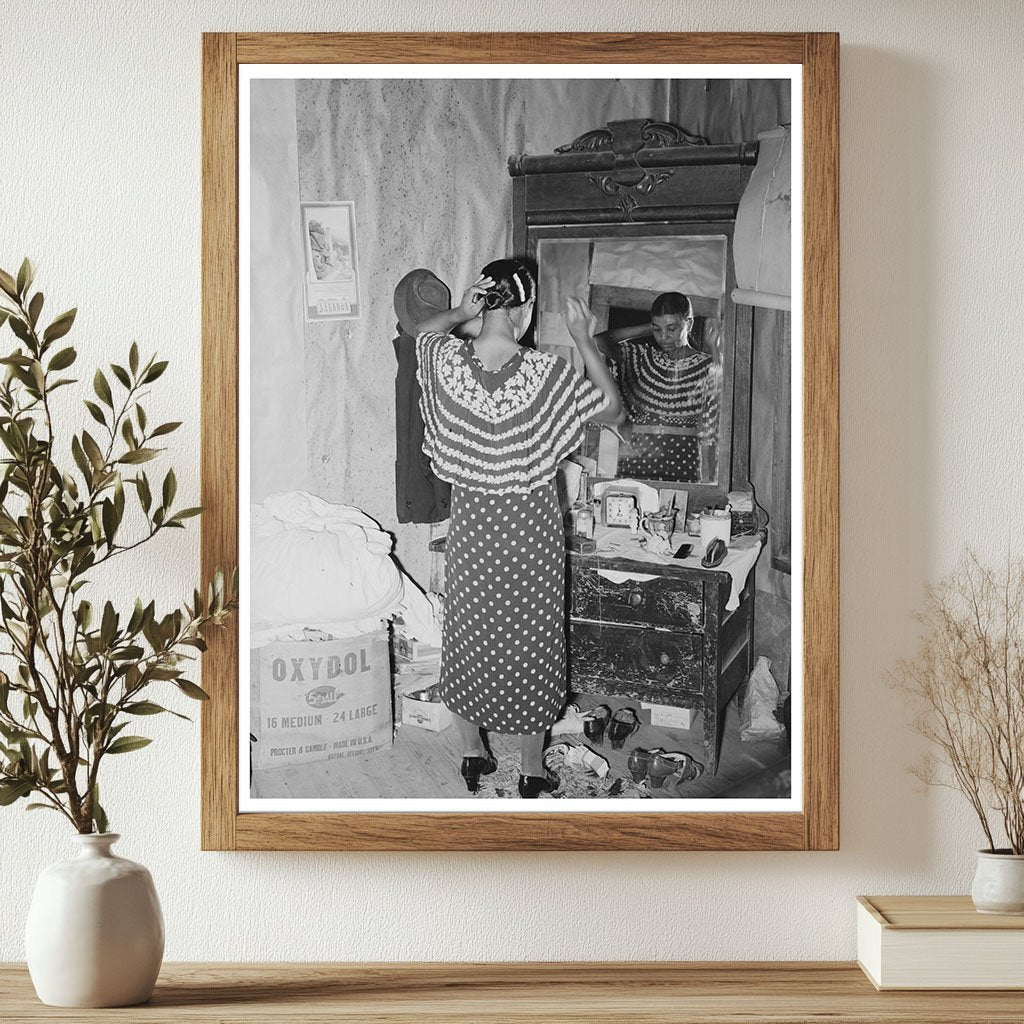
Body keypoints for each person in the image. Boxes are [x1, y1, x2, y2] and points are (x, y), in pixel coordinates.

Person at [415, 259, 624, 798]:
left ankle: (472, 755)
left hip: (473, 529)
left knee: (468, 637)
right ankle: (532, 769)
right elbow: (612, 409)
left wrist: (459, 312)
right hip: (530, 533)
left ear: (486, 303)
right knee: (533, 642)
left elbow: (422, 332)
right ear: (526, 310)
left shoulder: (446, 360)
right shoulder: (548, 375)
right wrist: (583, 338)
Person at [593, 291, 720, 482]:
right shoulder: (642, 358)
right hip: (637, 459)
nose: (664, 337)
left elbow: (710, 430)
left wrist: (709, 478)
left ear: (689, 323)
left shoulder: (707, 366)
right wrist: (648, 329)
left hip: (684, 460)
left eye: (672, 328)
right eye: (657, 329)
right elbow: (599, 341)